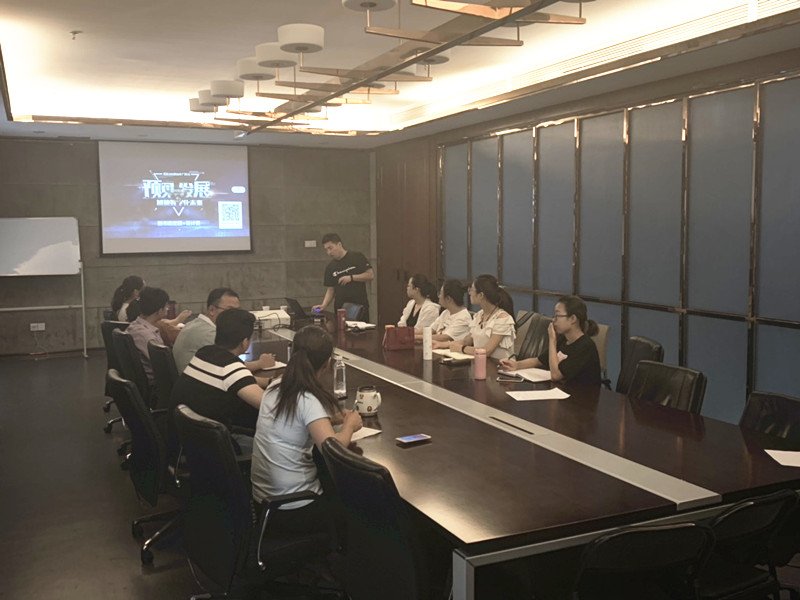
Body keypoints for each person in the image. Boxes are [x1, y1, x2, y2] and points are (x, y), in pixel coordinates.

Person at [251, 325, 362, 536]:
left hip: (263, 504)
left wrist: (329, 419)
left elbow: (294, 422)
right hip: (295, 509)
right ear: (328, 362)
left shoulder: (276, 386)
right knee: (357, 501)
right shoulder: (308, 399)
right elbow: (333, 451)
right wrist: (349, 425)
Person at [170, 308, 270, 454]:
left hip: (183, 442)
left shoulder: (204, 354)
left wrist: (270, 381)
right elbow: (270, 406)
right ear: (244, 342)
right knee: (279, 449)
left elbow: (237, 379)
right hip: (213, 448)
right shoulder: (231, 367)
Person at [499, 295, 601, 385]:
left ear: (573, 319)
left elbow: (556, 376)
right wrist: (517, 365)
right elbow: (538, 360)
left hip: (583, 397)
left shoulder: (585, 346)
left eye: (558, 316)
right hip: (563, 392)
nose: (553, 320)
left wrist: (552, 340)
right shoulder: (563, 340)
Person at [172, 287, 275, 375]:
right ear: (212, 310)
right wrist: (260, 363)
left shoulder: (195, 324)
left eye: (237, 311)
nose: (235, 316)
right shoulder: (208, 333)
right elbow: (232, 366)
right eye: (230, 311)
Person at [434, 274, 515, 360]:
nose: (469, 293)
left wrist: (462, 349)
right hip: (480, 362)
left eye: (472, 290)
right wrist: (440, 344)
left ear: (481, 295)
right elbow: (466, 341)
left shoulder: (502, 318)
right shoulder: (479, 315)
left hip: (499, 365)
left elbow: (487, 351)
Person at [312, 233, 374, 322]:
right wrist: (324, 305)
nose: (329, 252)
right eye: (326, 249)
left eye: (330, 248)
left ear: (339, 245)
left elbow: (370, 275)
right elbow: (331, 289)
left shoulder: (357, 256)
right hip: (340, 308)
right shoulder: (330, 267)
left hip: (359, 306)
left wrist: (351, 278)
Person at [124, 286, 169, 384]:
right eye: (166, 306)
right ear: (159, 311)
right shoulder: (147, 337)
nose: (167, 309)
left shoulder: (133, 327)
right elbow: (164, 366)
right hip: (157, 385)